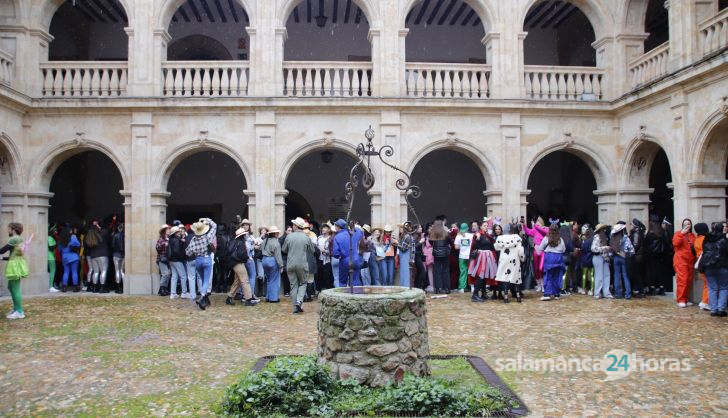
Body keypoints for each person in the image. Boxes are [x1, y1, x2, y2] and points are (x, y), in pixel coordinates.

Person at [282, 217, 316, 314]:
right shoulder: (306, 237)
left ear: (296, 226)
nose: (292, 226)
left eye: (293, 225)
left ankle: (295, 307)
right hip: (302, 264)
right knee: (303, 283)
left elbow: (284, 250)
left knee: (293, 285)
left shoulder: (289, 237)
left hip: (291, 264)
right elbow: (312, 250)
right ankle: (299, 301)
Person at [185, 218, 217, 310]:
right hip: (207, 259)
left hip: (197, 260)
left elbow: (188, 252)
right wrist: (207, 219)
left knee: (203, 280)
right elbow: (214, 226)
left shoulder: (193, 239)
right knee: (206, 280)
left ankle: (205, 299)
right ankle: (202, 297)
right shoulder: (207, 237)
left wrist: (196, 251)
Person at [699, 222, 728, 317]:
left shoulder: (706, 238)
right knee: (724, 287)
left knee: (712, 288)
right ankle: (721, 309)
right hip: (722, 265)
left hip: (709, 266)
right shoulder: (723, 239)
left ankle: (714, 309)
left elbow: (704, 250)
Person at [225, 227, 258, 306]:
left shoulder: (234, 241)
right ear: (242, 235)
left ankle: (229, 297)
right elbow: (241, 254)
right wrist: (247, 258)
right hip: (238, 263)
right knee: (245, 280)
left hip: (233, 263)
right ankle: (248, 299)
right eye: (244, 234)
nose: (245, 235)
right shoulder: (241, 243)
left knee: (238, 281)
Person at [2, 223, 29, 319]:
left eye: (9, 229)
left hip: (15, 266)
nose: (8, 230)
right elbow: (13, 254)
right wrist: (2, 259)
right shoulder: (19, 239)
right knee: (11, 287)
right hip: (16, 263)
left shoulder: (14, 239)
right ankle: (16, 309)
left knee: (15, 288)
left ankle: (20, 311)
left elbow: (2, 250)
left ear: (13, 230)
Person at [494, 229, 526, 303]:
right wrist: (522, 258)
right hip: (514, 260)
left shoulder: (500, 238)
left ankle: (505, 297)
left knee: (506, 278)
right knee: (516, 277)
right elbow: (520, 250)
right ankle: (518, 296)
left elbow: (496, 247)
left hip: (504, 260)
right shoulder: (517, 238)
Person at [468, 221, 497, 302]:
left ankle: (483, 294)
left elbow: (491, 246)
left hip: (488, 257)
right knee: (480, 275)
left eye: (487, 225)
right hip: (481, 257)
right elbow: (474, 246)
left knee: (484, 276)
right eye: (484, 225)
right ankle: (475, 295)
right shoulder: (478, 234)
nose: (486, 227)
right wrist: (476, 238)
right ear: (480, 226)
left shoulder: (487, 235)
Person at [537, 224, 566, 301]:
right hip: (559, 258)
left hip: (549, 258)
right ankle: (557, 294)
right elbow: (563, 250)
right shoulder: (560, 239)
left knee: (548, 276)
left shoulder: (546, 238)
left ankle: (547, 294)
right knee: (557, 276)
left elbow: (540, 249)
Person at [333, 219, 364, 287]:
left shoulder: (337, 237)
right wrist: (353, 227)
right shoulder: (354, 233)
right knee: (355, 281)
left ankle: (343, 296)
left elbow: (335, 253)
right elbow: (361, 232)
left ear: (338, 227)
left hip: (344, 260)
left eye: (335, 226)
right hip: (356, 260)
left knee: (342, 282)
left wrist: (339, 256)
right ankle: (356, 296)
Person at [673, 218, 696, 308]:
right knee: (683, 280)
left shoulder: (692, 235)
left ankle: (686, 299)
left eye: (689, 224)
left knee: (689, 280)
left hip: (690, 260)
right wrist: (682, 234)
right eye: (685, 224)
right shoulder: (678, 234)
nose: (687, 225)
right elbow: (675, 243)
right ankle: (681, 299)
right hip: (681, 260)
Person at [644, 215, 669, 296]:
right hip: (661, 254)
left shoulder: (650, 232)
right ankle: (661, 287)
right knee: (660, 271)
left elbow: (646, 243)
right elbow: (666, 242)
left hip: (651, 254)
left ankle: (652, 287)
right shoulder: (662, 231)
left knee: (652, 271)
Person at [523, 217, 549, 292]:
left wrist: (536, 226)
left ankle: (544, 284)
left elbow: (544, 232)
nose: (537, 223)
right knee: (536, 269)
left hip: (543, 251)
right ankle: (539, 285)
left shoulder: (545, 229)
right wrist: (524, 225)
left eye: (539, 222)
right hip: (535, 250)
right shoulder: (535, 230)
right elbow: (528, 232)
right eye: (537, 222)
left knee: (542, 268)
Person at [610, 223, 635, 299]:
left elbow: (611, 251)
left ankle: (618, 293)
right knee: (625, 276)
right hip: (624, 258)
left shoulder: (613, 239)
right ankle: (628, 294)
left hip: (616, 258)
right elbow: (632, 250)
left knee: (617, 276)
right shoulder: (625, 238)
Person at [86, 220, 111, 293]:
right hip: (103, 255)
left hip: (93, 255)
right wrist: (98, 226)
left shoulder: (91, 235)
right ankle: (102, 288)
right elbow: (107, 231)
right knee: (103, 271)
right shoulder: (103, 233)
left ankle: (94, 288)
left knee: (96, 272)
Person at [591, 224, 614, 300]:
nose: (605, 230)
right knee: (599, 276)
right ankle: (597, 293)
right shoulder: (597, 237)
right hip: (598, 257)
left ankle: (606, 292)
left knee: (607, 275)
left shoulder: (605, 237)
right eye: (603, 229)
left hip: (605, 258)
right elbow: (593, 248)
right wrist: (605, 248)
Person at [261, 225, 283, 303]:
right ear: (274, 234)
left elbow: (261, 249)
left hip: (264, 260)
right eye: (277, 233)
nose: (278, 234)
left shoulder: (265, 241)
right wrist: (281, 266)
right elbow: (278, 256)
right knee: (274, 280)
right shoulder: (276, 243)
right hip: (272, 260)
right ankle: (273, 298)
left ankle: (268, 297)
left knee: (269, 279)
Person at [167, 226, 190, 299]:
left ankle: (173, 294)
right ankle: (184, 293)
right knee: (183, 276)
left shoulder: (170, 240)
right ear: (175, 233)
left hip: (171, 260)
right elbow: (177, 251)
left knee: (174, 277)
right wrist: (182, 257)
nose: (180, 233)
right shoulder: (176, 240)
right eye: (178, 232)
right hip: (177, 260)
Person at [429, 219, 452, 294]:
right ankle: (447, 288)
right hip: (445, 253)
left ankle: (438, 288)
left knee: (437, 271)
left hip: (436, 254)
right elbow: (451, 242)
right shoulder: (446, 233)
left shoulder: (433, 233)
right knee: (446, 270)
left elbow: (430, 242)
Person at [693, 222, 711, 311]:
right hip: (705, 263)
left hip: (700, 264)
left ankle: (705, 301)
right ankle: (705, 301)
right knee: (708, 284)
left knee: (706, 284)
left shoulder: (697, 239)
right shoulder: (704, 239)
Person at [58, 227, 81, 292]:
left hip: (65, 256)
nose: (71, 231)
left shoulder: (61, 239)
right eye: (70, 230)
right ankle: (75, 287)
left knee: (66, 272)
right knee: (74, 271)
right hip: (74, 256)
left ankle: (64, 287)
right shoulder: (73, 237)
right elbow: (78, 245)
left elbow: (59, 249)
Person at [628, 219, 646, 298]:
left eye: (631, 224)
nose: (631, 226)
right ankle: (639, 289)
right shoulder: (638, 232)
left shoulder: (636, 233)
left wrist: (630, 252)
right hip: (638, 256)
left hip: (636, 257)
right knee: (638, 274)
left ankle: (640, 290)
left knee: (637, 274)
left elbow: (636, 244)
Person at [453, 223, 473, 293]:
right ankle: (472, 287)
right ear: (467, 228)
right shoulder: (471, 236)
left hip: (462, 256)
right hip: (470, 256)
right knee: (471, 271)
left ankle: (462, 288)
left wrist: (462, 246)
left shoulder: (458, 236)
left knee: (462, 272)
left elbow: (456, 247)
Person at [155, 224, 171, 297]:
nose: (168, 230)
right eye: (167, 229)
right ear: (164, 231)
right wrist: (165, 244)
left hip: (168, 259)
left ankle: (164, 289)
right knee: (166, 274)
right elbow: (157, 248)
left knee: (168, 274)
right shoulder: (161, 239)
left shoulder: (169, 238)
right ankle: (161, 289)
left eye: (169, 229)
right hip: (161, 259)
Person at [398, 224, 416, 288]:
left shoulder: (407, 236)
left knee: (405, 273)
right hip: (407, 257)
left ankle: (405, 288)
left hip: (406, 257)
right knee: (406, 273)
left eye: (400, 228)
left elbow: (403, 248)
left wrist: (396, 243)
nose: (399, 229)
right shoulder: (409, 236)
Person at [317, 223, 334, 290]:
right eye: (323, 227)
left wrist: (325, 251)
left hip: (327, 260)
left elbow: (333, 250)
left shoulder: (331, 238)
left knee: (327, 276)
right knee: (319, 276)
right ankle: (319, 290)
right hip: (319, 259)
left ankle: (328, 290)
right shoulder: (319, 238)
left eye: (325, 228)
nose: (323, 229)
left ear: (329, 230)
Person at [579, 225, 595, 295]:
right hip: (591, 259)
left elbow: (582, 249)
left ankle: (583, 289)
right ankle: (591, 290)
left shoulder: (585, 241)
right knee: (592, 275)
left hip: (584, 259)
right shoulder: (593, 241)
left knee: (584, 275)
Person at [111, 223, 125, 294]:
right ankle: (124, 287)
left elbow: (112, 245)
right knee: (122, 271)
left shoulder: (115, 235)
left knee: (117, 271)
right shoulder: (125, 235)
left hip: (116, 254)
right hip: (123, 255)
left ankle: (118, 287)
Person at [48, 225, 59, 293]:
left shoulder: (49, 238)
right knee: (52, 271)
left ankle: (50, 286)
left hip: (49, 256)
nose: (56, 232)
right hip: (50, 257)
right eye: (55, 231)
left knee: (50, 272)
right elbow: (51, 248)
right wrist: (57, 244)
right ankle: (50, 286)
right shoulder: (50, 238)